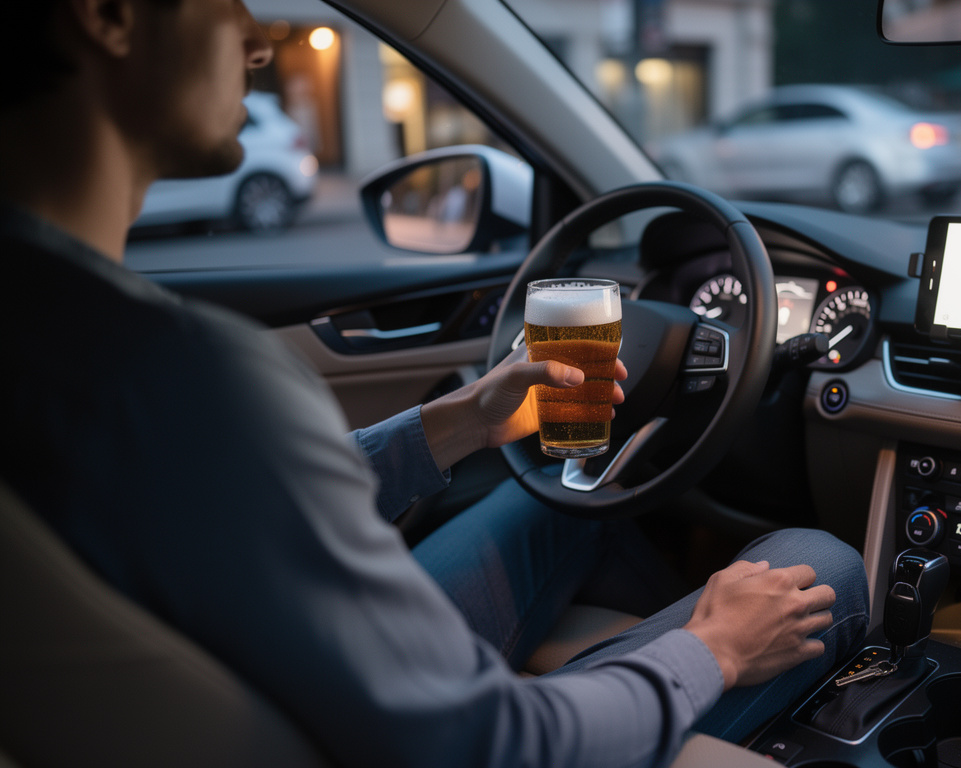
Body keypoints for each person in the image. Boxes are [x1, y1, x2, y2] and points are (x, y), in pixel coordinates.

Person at [0, 1, 869, 767]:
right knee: (822, 563)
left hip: (263, 679)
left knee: (556, 500)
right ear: (108, 12)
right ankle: (626, 690)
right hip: (408, 735)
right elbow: (485, 742)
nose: (257, 39)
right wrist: (707, 648)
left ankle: (607, 669)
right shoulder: (186, 369)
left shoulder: (57, 328)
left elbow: (222, 497)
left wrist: (451, 424)